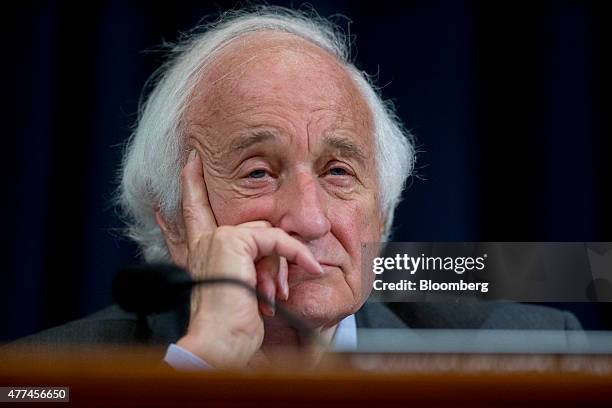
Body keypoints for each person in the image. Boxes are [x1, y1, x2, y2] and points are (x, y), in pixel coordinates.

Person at [7, 6, 581, 369]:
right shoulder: (46, 375)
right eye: (258, 172)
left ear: (380, 215)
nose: (308, 219)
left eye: (338, 172)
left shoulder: (529, 354)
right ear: (175, 221)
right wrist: (203, 366)